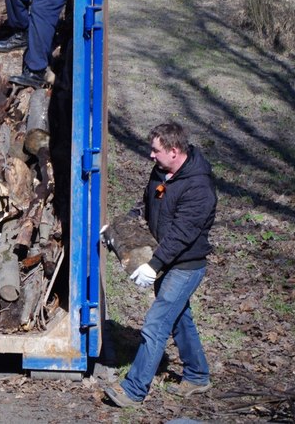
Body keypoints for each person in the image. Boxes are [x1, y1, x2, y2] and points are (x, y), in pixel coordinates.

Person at [104, 122, 216, 407]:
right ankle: (198, 375)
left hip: (186, 265)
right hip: (168, 261)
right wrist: (120, 227)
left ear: (174, 151)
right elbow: (148, 203)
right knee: (179, 320)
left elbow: (182, 234)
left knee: (156, 324)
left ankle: (133, 390)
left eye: (156, 150)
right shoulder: (162, 172)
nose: (151, 155)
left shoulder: (198, 187)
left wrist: (154, 264)